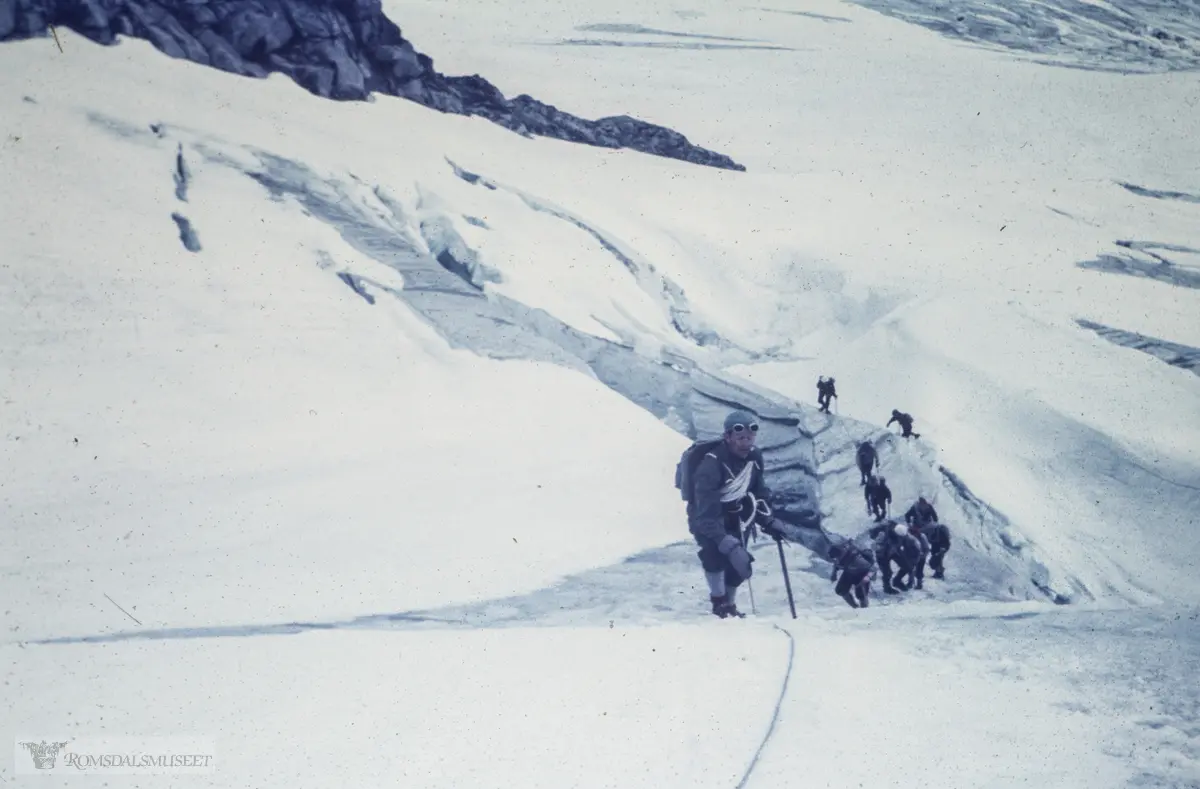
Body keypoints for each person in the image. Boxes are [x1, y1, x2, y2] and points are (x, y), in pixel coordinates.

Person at [685, 409, 778, 618]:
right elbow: (706, 514)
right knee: (715, 555)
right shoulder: (711, 465)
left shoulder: (754, 457)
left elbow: (758, 490)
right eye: (740, 437)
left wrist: (768, 519)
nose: (746, 442)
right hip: (707, 517)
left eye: (750, 436)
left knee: (739, 565)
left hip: (738, 517)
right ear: (727, 437)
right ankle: (719, 603)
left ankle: (730, 604)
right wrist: (724, 540)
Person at [828, 540, 873, 608]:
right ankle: (855, 607)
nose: (836, 559)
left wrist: (868, 577)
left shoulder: (857, 559)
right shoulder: (840, 558)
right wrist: (834, 573)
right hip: (849, 573)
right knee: (840, 590)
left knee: (861, 595)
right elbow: (836, 565)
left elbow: (872, 568)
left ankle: (865, 610)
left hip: (862, 574)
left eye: (837, 557)